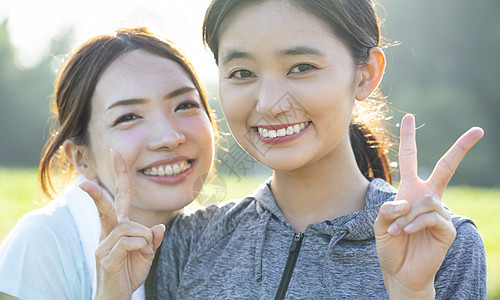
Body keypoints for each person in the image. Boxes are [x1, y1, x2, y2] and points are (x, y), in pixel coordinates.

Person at [89, 0, 487, 299]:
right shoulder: (187, 240)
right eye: (242, 73)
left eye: (301, 67)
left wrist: (410, 292)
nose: (268, 103)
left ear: (366, 75)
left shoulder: (442, 242)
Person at [0, 27, 216, 300]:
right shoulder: (44, 243)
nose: (170, 137)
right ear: (81, 158)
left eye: (184, 105)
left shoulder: (226, 237)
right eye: (128, 117)